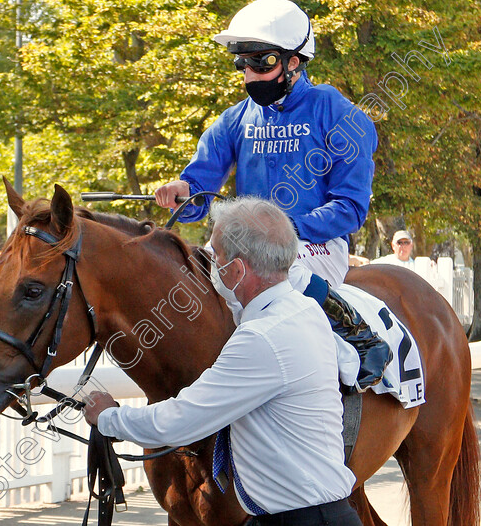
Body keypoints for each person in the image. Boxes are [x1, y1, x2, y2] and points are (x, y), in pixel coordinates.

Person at [153, 0, 389, 391]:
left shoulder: (338, 113)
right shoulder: (235, 119)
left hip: (313, 246)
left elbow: (350, 207)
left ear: (294, 61)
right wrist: (184, 191)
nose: (248, 74)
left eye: (260, 61)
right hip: (241, 247)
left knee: (281, 274)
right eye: (241, 62)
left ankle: (359, 337)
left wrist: (285, 229)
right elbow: (199, 190)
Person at [85, 197, 362, 526]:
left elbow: (180, 421)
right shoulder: (304, 311)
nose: (211, 266)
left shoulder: (260, 338)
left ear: (238, 269)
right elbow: (349, 361)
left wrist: (108, 418)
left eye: (215, 256)